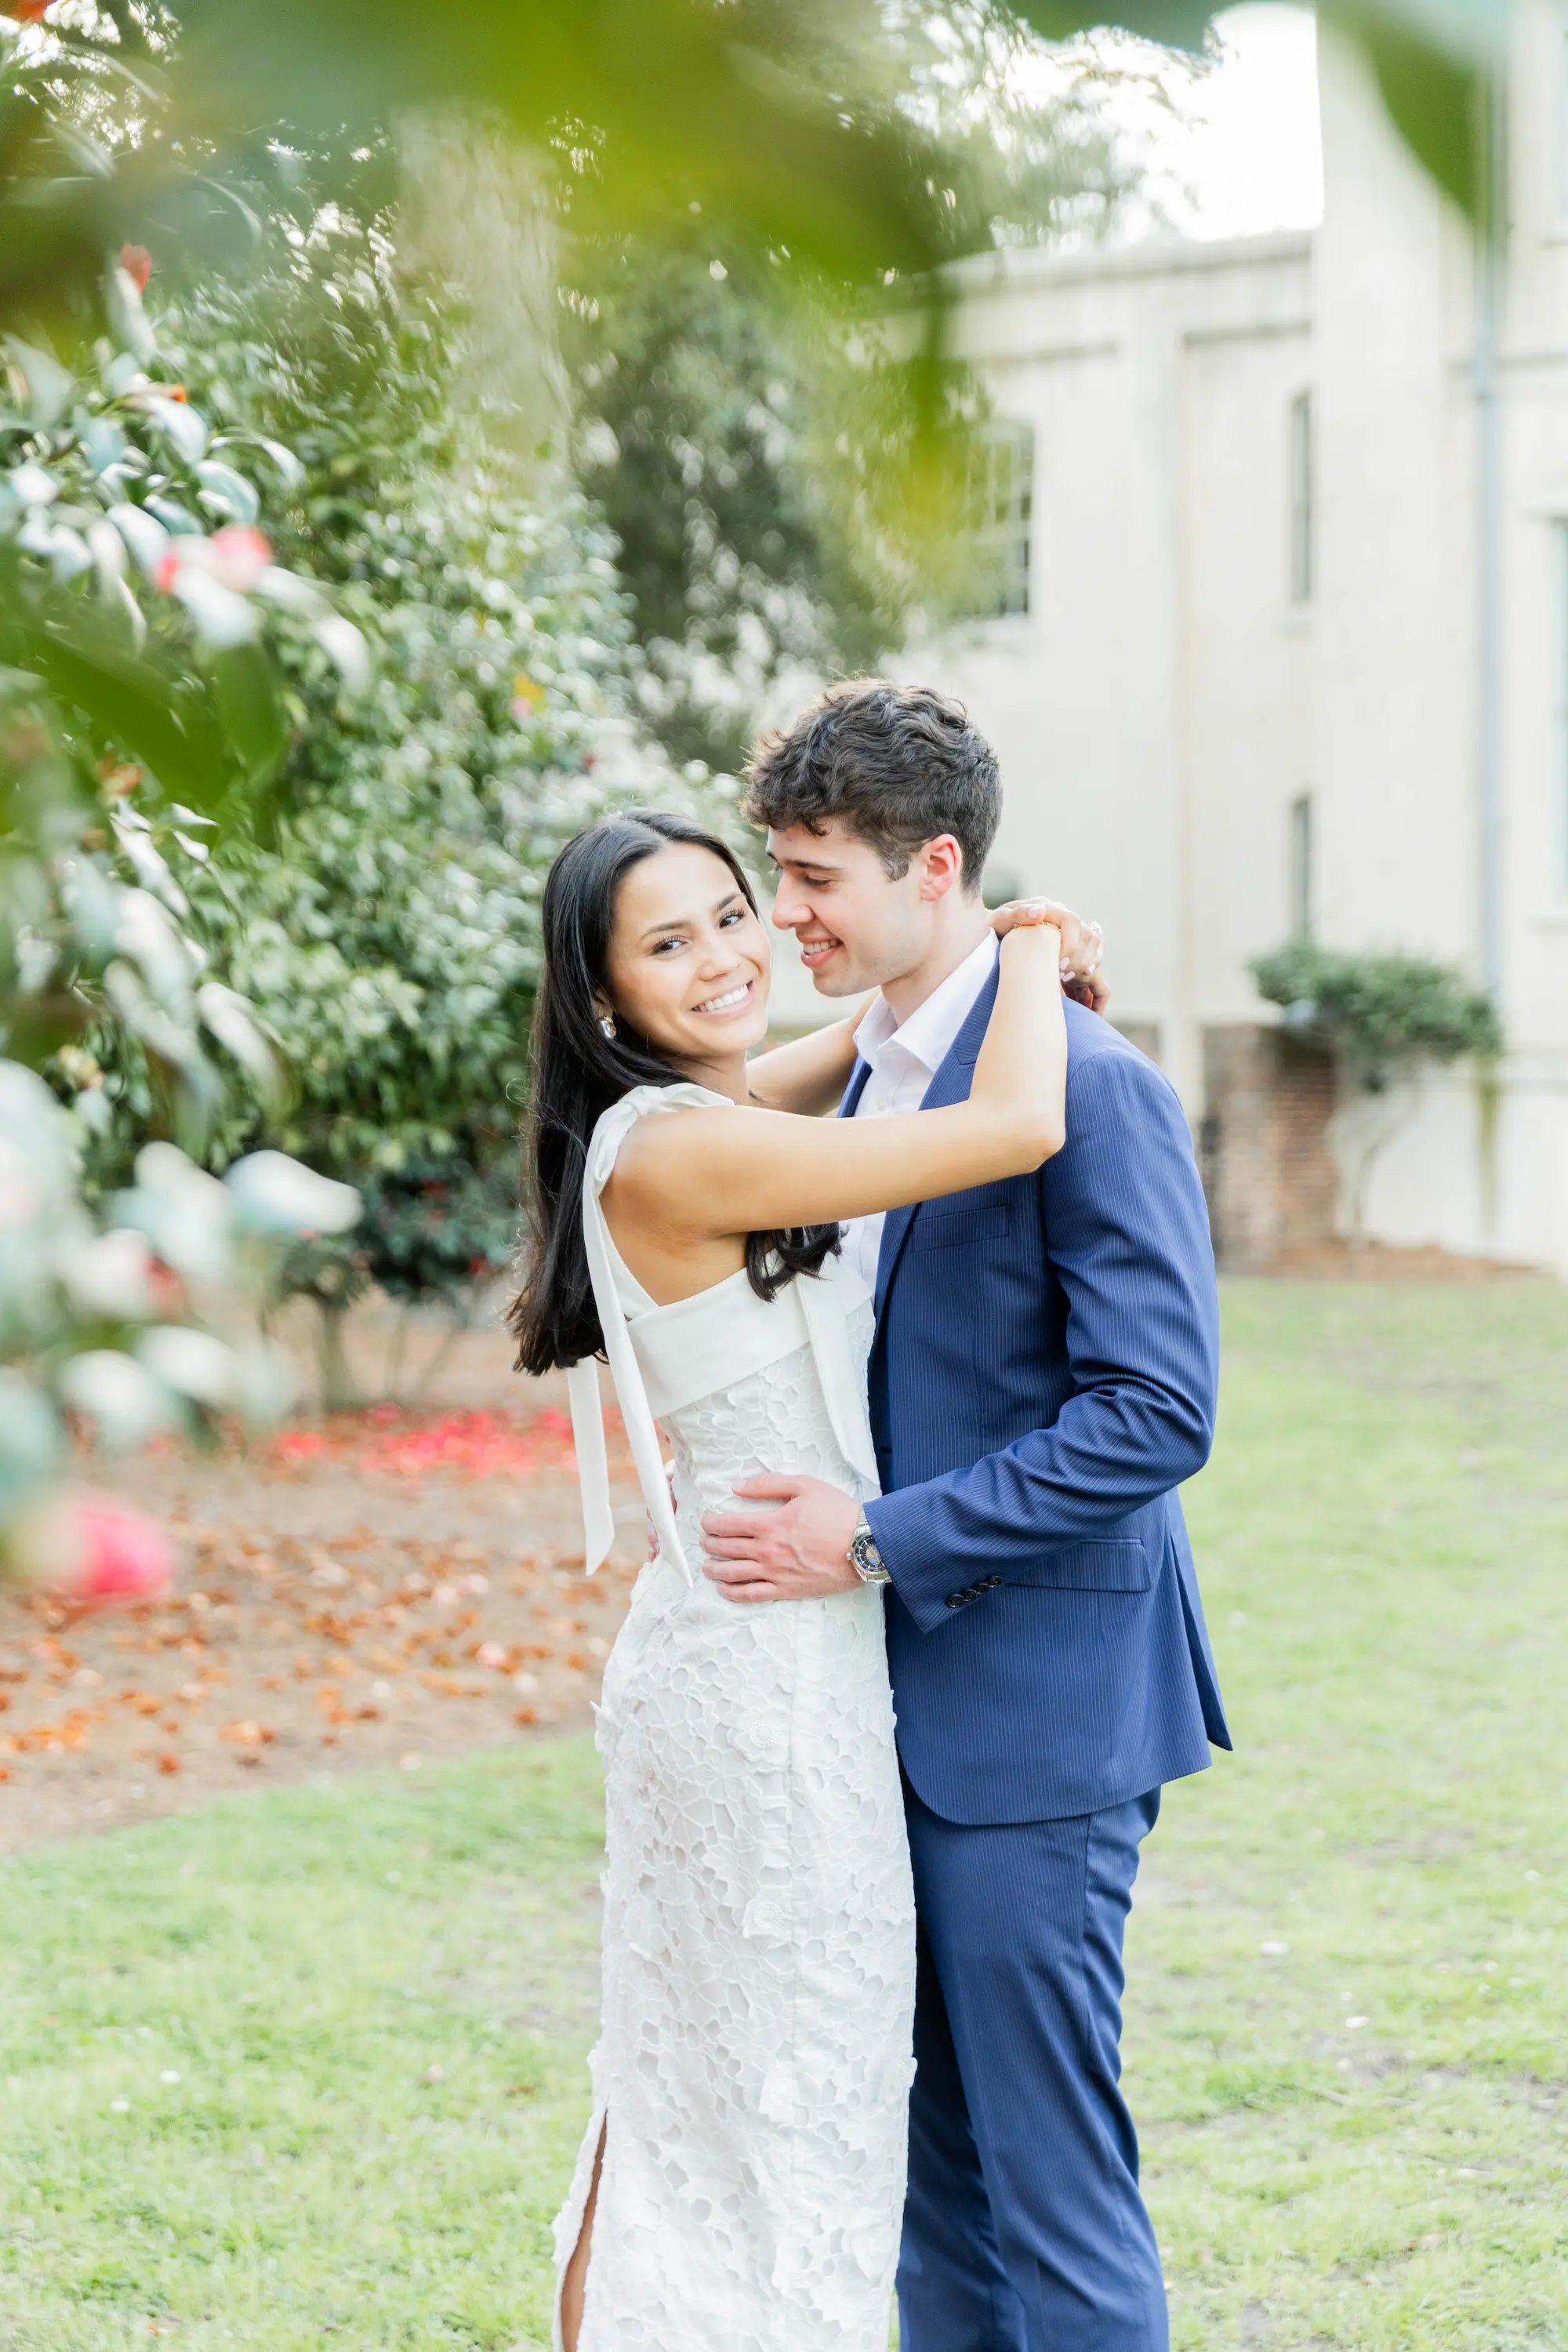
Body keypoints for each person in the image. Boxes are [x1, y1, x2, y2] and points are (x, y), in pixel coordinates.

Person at [508, 804, 1102, 2352]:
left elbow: (837, 1050)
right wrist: (1022, 937)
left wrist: (921, 982)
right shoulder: (696, 1147)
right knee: (762, 2114)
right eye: (667, 941)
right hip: (763, 1685)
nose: (722, 955)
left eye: (731, 913)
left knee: (715, 2103)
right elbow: (1015, 1126)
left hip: (765, 1654)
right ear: (595, 995)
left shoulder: (685, 1116)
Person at [701, 680, 1231, 2352]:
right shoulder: (859, 1083)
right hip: (880, 1720)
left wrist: (870, 1537)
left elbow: (1157, 1413)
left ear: (935, 868)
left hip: (1038, 1731)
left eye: (814, 876)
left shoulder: (1088, 1083)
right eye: (774, 872)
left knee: (1051, 2194)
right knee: (932, 2199)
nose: (785, 914)